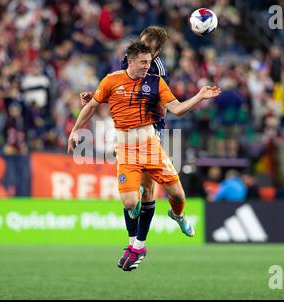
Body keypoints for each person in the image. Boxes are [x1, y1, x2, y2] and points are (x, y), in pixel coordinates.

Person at [68, 42, 221, 271]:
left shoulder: (155, 82)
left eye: (149, 63)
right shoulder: (111, 80)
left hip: (150, 146)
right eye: (143, 63)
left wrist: (199, 96)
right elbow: (91, 106)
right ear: (130, 61)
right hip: (126, 149)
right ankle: (138, 245)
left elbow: (177, 109)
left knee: (178, 196)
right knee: (131, 202)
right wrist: (74, 130)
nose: (147, 67)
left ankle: (177, 216)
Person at [79, 26, 169, 269]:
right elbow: (121, 90)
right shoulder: (128, 58)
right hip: (126, 130)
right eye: (141, 43)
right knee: (130, 197)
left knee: (147, 189)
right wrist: (99, 97)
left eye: (149, 49)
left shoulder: (157, 70)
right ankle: (134, 240)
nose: (142, 51)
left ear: (157, 52)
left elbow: (160, 104)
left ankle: (138, 245)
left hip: (151, 128)